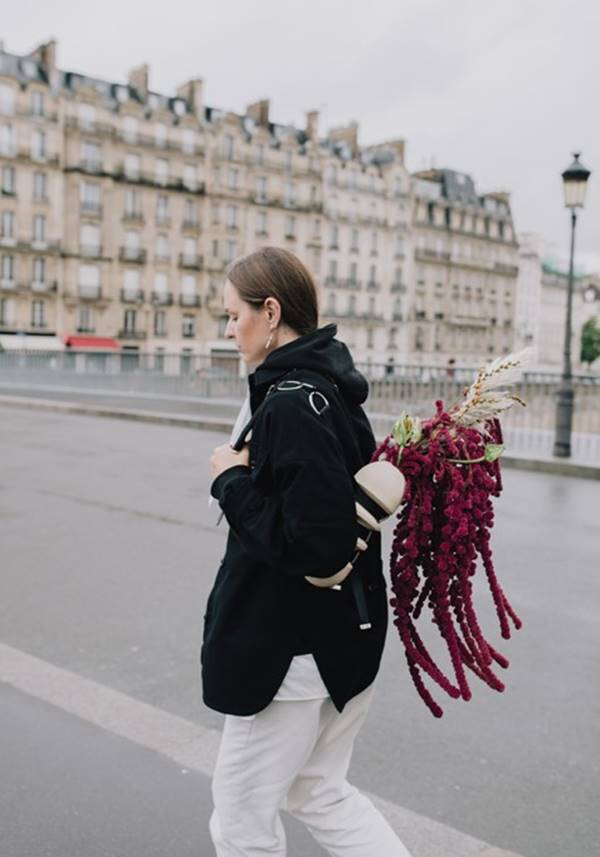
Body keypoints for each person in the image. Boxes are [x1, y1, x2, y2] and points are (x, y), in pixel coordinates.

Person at [203, 246, 412, 857]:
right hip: (343, 631)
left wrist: (230, 480)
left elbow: (314, 547)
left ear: (270, 313)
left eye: (232, 314)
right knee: (319, 791)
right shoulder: (331, 388)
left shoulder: (292, 402)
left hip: (290, 651)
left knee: (241, 821)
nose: (228, 329)